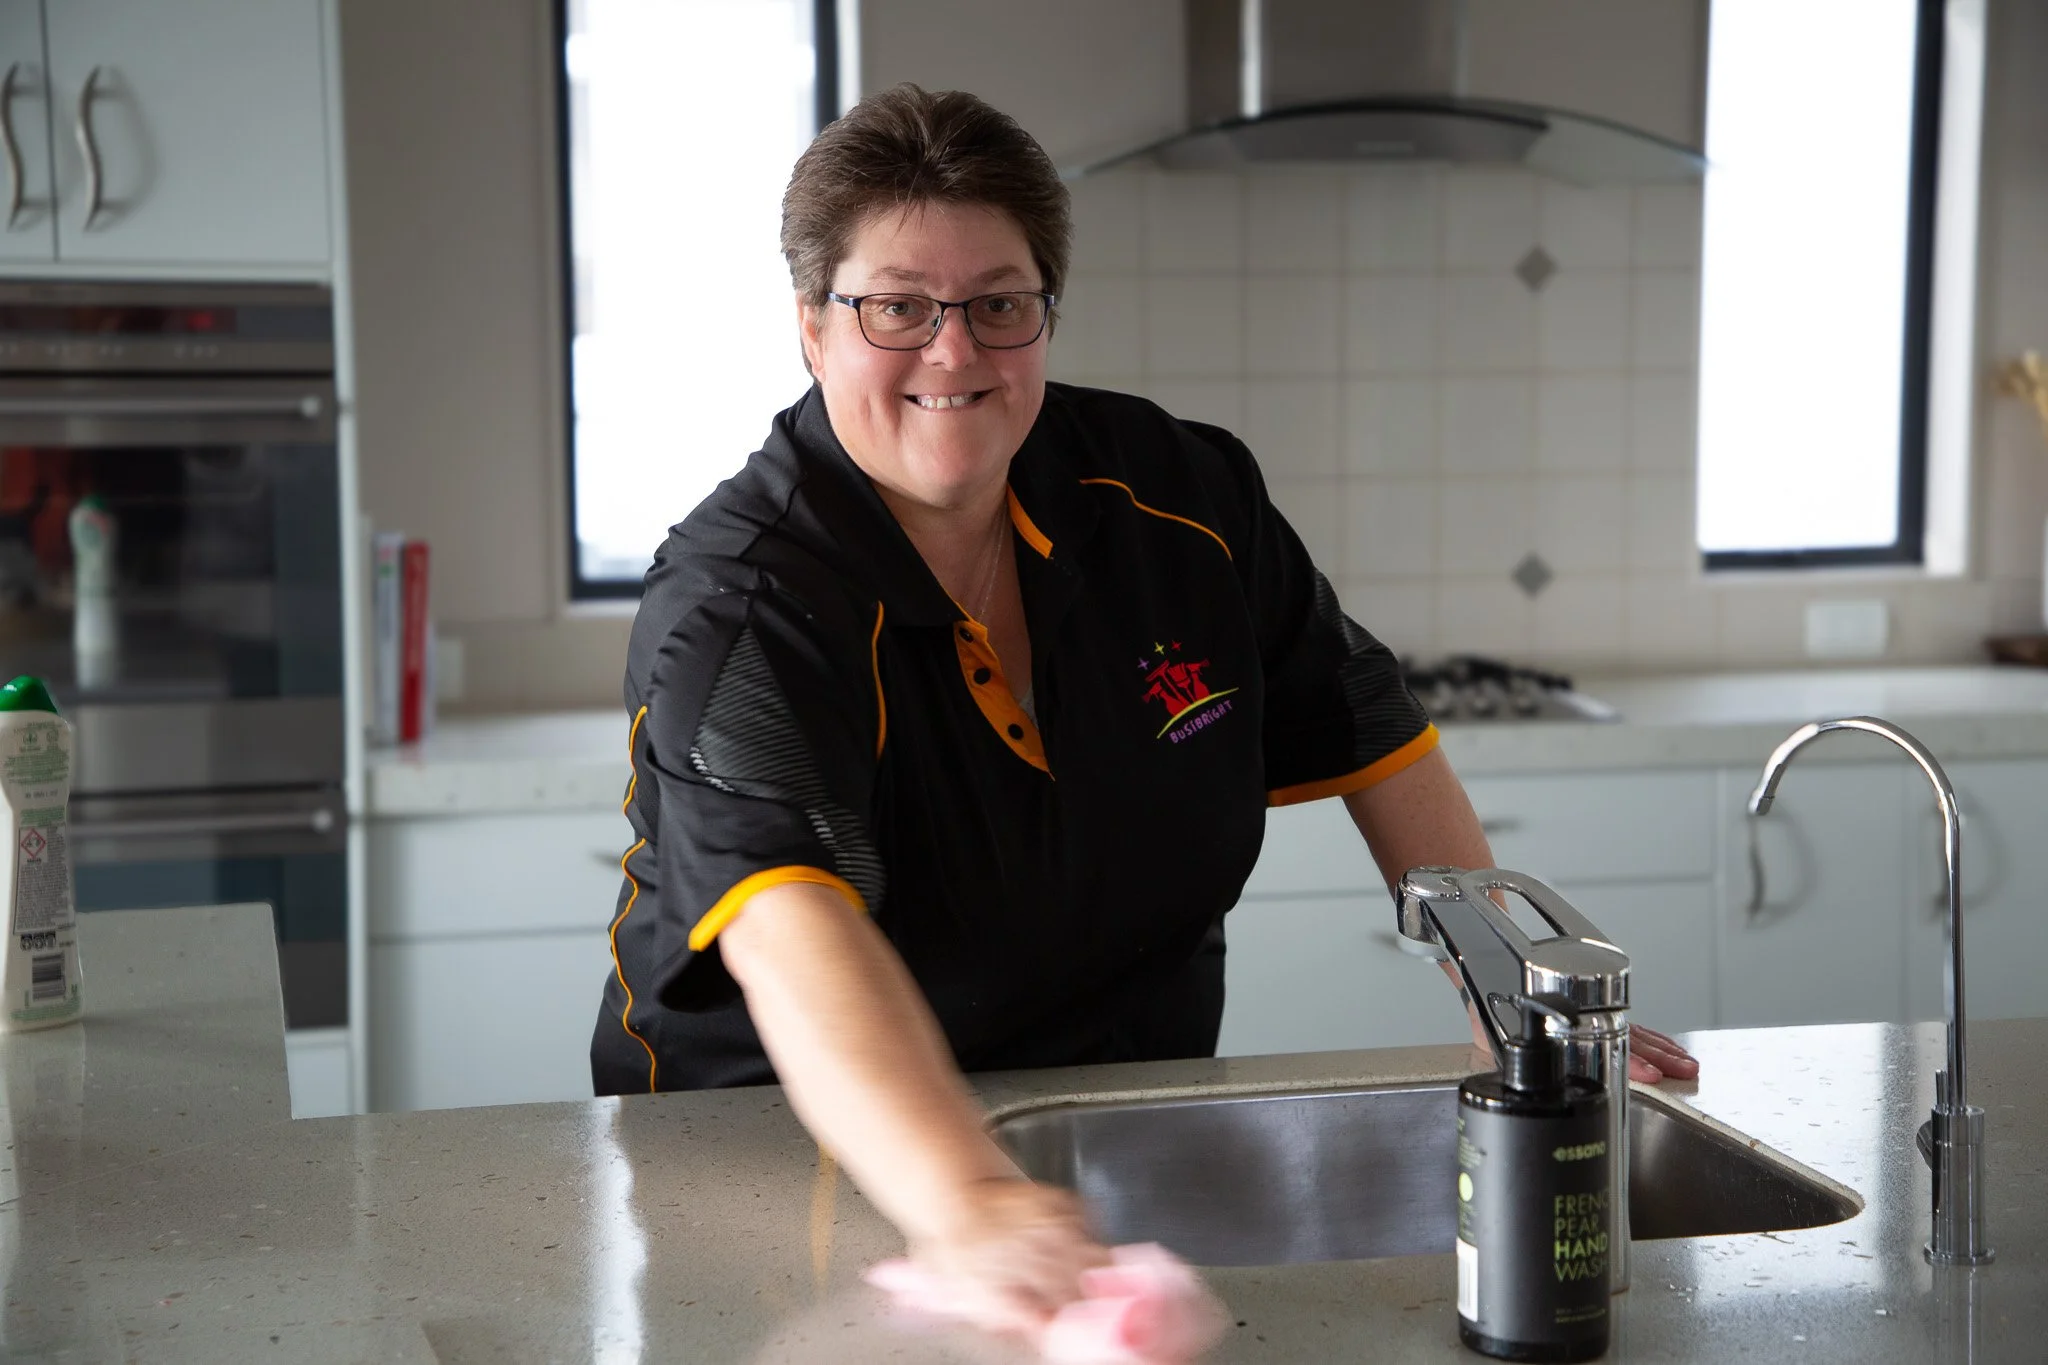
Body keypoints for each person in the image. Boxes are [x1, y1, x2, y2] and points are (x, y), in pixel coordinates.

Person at [591, 82, 1697, 1341]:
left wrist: (1511, 1005)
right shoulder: (744, 606)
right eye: (896, 306)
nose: (952, 353)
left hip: (1106, 1126)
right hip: (782, 1163)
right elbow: (794, 934)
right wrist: (963, 1199)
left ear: (1044, 316)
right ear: (811, 326)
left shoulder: (1173, 495)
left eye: (998, 305)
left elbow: (1372, 736)